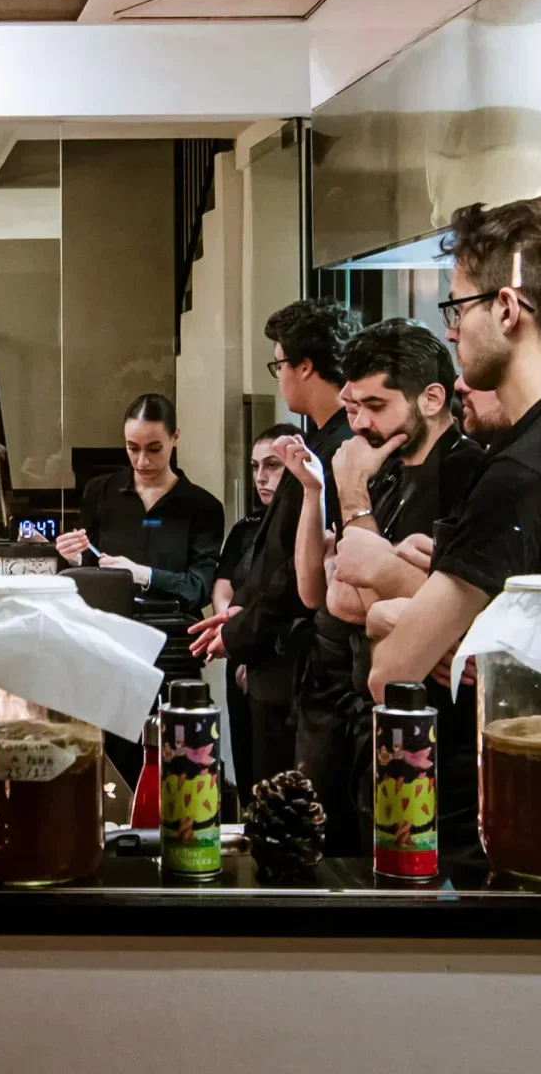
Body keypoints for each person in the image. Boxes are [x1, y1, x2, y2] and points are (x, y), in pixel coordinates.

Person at [284, 319, 486, 855]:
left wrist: (352, 496)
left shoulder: (470, 475)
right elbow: (339, 593)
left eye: (377, 406)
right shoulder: (388, 472)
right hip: (365, 715)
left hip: (440, 734)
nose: (362, 424)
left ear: (432, 398)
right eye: (356, 407)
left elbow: (375, 598)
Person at [370, 197, 541, 701]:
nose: (450, 331)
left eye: (458, 307)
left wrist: (392, 621)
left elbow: (391, 676)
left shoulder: (518, 474)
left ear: (507, 309)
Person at [190, 300, 361, 799]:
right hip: (278, 653)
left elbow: (299, 572)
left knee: (285, 809)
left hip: (301, 662)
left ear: (304, 366)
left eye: (279, 363)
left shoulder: (339, 448)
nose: (279, 375)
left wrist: (241, 630)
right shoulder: (320, 439)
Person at [199, 423, 299, 805]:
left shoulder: (296, 522)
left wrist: (246, 638)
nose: (261, 477)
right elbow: (222, 587)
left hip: (275, 656)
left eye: (272, 466)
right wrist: (234, 630)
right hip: (237, 648)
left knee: (278, 776)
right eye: (256, 466)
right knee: (245, 762)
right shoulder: (245, 528)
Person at [56, 392, 224, 614]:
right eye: (133, 448)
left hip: (173, 632)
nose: (142, 461)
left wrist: (142, 575)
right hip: (108, 626)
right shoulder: (100, 491)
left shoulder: (203, 506)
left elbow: (199, 589)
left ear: (175, 437)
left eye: (154, 449)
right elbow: (90, 562)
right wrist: (75, 558)